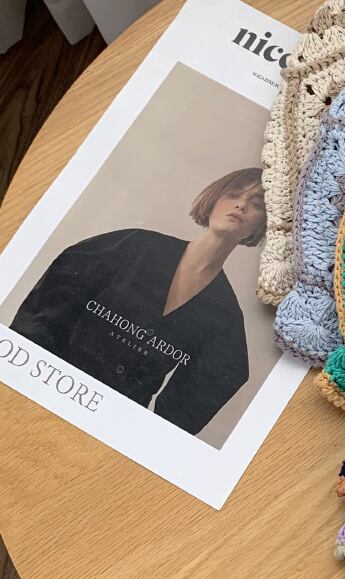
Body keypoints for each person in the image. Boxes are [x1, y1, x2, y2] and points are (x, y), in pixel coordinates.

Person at [11, 168, 266, 435]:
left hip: (108, 428)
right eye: (233, 195)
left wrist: (143, 435)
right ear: (212, 200)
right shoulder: (133, 245)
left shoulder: (225, 315)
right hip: (43, 389)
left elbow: (213, 385)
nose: (241, 205)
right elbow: (45, 311)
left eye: (256, 204)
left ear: (261, 224)